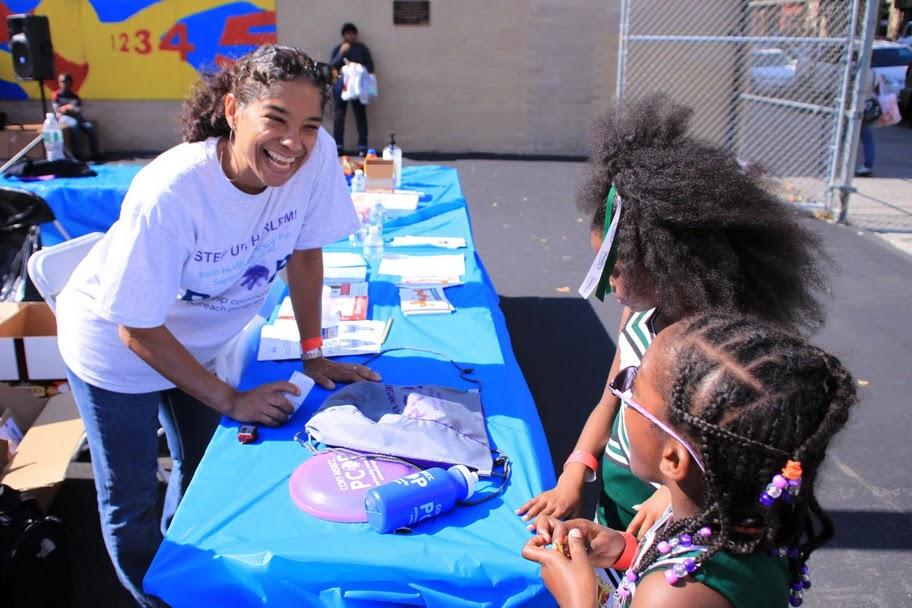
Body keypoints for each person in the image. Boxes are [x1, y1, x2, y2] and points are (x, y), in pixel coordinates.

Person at [55, 45, 380, 607]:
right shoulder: (173, 192)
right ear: (232, 111)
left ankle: (188, 578)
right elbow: (135, 327)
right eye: (274, 120)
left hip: (197, 343)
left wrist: (312, 353)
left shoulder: (315, 155)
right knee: (130, 499)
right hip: (115, 351)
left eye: (307, 125)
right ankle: (156, 599)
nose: (293, 144)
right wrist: (230, 398)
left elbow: (305, 253)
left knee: (203, 470)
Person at [517, 95, 831, 565]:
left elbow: (743, 453)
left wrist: (677, 495)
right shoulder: (636, 317)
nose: (605, 284)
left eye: (615, 268)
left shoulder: (715, 351)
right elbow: (610, 399)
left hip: (680, 516)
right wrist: (577, 469)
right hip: (619, 498)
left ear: (668, 261)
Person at [522, 313, 857, 607]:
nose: (623, 393)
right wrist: (625, 551)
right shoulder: (735, 519)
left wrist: (577, 597)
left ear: (673, 457)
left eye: (633, 389)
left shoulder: (673, 594)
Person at [330, 22, 374, 155]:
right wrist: (341, 54)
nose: (351, 36)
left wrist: (357, 69)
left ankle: (362, 147)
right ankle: (338, 145)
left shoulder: (362, 48)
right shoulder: (339, 48)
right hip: (341, 88)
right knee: (339, 116)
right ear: (344, 35)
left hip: (358, 88)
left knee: (360, 116)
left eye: (353, 33)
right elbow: (331, 68)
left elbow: (371, 66)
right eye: (348, 33)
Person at [52, 72, 103, 161]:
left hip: (76, 116)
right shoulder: (56, 95)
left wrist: (68, 109)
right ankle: (78, 154)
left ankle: (95, 153)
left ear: (70, 83)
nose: (62, 84)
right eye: (60, 82)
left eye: (65, 81)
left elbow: (77, 110)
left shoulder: (75, 96)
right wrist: (68, 108)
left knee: (90, 127)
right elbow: (57, 110)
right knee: (74, 124)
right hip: (64, 118)